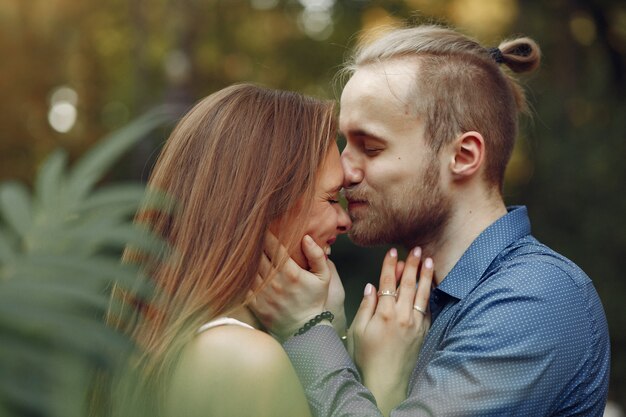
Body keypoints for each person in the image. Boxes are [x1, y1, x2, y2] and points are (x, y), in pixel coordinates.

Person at [251, 25, 611, 416]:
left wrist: (307, 330)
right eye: (345, 144)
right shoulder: (410, 309)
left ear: (463, 156)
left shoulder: (535, 299)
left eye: (370, 147)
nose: (344, 171)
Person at [103, 84, 433, 417]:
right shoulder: (247, 361)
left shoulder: (157, 340)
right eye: (332, 199)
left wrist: (328, 329)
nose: (345, 220)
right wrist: (384, 381)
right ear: (265, 207)